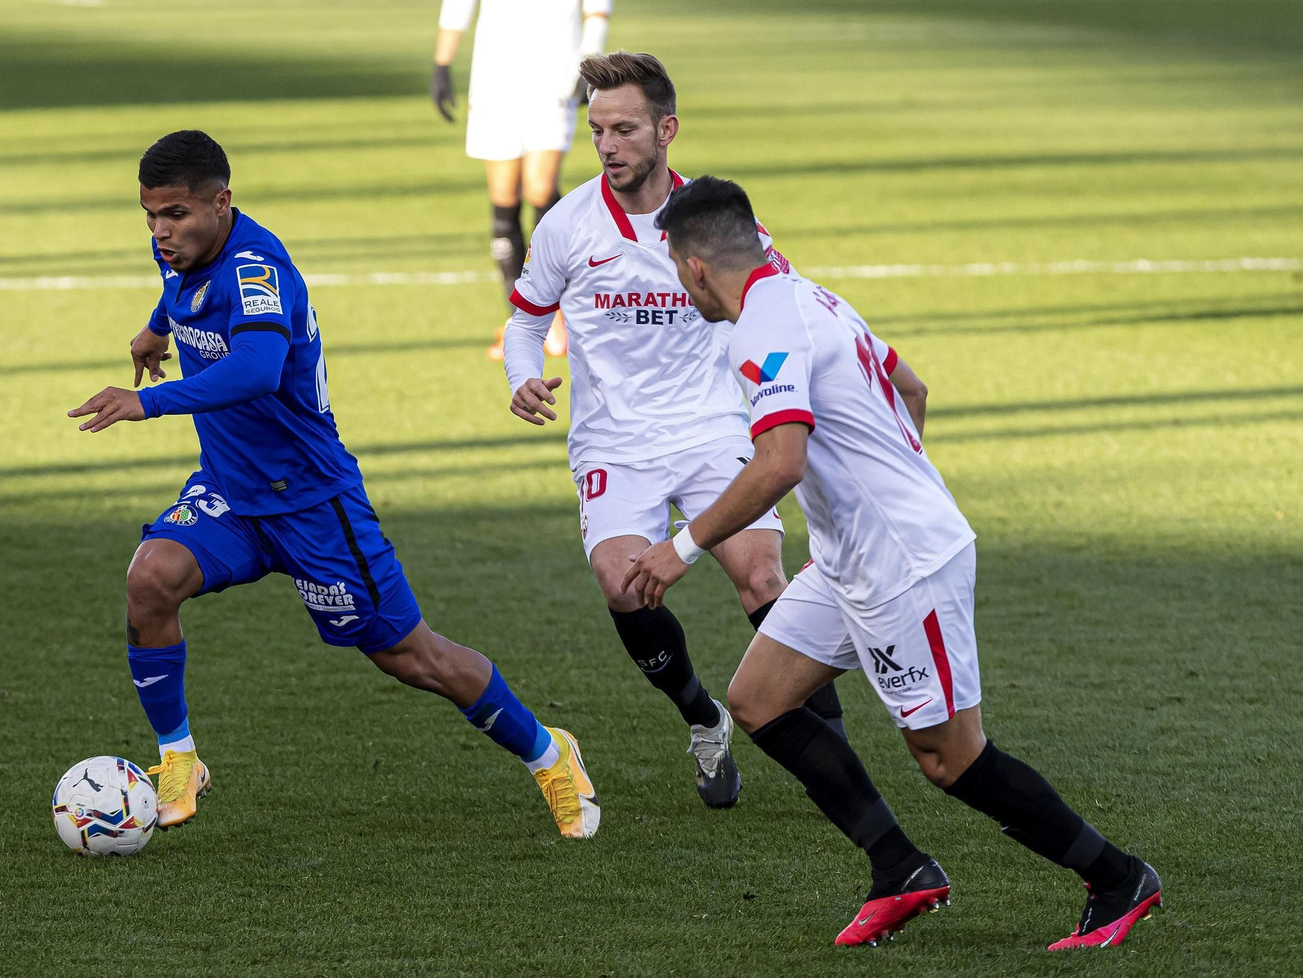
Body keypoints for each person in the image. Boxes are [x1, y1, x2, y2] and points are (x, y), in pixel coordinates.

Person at [623, 175, 1162, 949]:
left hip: (903, 568)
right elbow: (913, 388)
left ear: (696, 267)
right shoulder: (810, 296)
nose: (683, 286)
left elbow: (779, 463)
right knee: (759, 699)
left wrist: (681, 548)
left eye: (679, 271)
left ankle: (1118, 877)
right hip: (853, 560)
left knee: (950, 759)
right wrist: (875, 499)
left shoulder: (762, 328)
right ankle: (899, 868)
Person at [66, 130, 599, 840]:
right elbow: (181, 289)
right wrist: (156, 328)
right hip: (231, 492)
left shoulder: (258, 270)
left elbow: (258, 368)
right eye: (150, 216)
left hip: (312, 501)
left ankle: (549, 753)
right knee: (151, 578)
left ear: (222, 203)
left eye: (176, 215)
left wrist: (148, 402)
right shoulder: (183, 251)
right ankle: (179, 760)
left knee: (412, 657)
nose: (160, 232)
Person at [502, 52, 847, 811]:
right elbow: (525, 322)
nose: (608, 145)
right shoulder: (567, 225)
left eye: (625, 129)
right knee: (623, 583)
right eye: (597, 130)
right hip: (613, 440)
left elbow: (783, 300)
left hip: (711, 425)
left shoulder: (714, 225)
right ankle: (702, 716)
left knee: (761, 574)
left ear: (667, 130)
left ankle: (836, 756)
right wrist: (521, 375)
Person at [430, 0, 611, 359]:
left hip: (555, 78)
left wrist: (590, 59)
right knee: (504, 198)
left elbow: (597, 8)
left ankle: (556, 315)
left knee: (541, 190)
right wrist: (442, 63)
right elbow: (458, 6)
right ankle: (521, 323)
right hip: (494, 81)